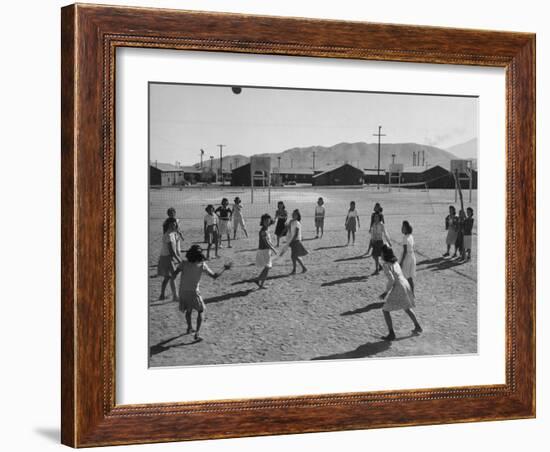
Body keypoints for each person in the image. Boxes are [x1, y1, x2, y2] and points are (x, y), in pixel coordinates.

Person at [178, 245, 231, 340]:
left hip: (182, 291)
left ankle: (189, 327)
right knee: (201, 310)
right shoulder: (202, 264)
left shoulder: (184, 263)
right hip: (193, 292)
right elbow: (215, 276)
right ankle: (197, 333)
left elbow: (173, 275)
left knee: (189, 310)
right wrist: (224, 269)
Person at [379, 245, 422, 341]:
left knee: (385, 310)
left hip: (399, 287)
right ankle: (417, 326)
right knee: (407, 307)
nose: (380, 254)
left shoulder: (386, 265)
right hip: (405, 284)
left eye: (381, 252)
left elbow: (391, 280)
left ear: (385, 254)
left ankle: (391, 333)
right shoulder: (395, 263)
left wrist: (386, 292)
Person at [157, 218, 182, 301]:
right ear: (168, 225)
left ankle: (162, 295)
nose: (174, 225)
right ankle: (175, 296)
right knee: (173, 276)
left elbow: (174, 249)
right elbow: (171, 251)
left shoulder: (173, 234)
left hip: (166, 257)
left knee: (168, 277)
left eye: (175, 224)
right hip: (167, 257)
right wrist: (180, 261)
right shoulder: (168, 235)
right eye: (172, 224)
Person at [254, 214, 277, 289]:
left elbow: (268, 241)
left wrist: (272, 247)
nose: (267, 222)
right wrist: (273, 249)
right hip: (264, 251)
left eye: (268, 220)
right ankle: (258, 280)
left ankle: (261, 283)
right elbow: (266, 242)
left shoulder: (267, 229)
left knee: (267, 268)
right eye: (265, 221)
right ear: (262, 222)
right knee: (268, 267)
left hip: (267, 250)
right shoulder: (263, 231)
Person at [282, 209, 308, 274]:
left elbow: (296, 233)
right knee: (295, 256)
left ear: (298, 216)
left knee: (294, 256)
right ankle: (303, 268)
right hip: (292, 241)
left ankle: (295, 270)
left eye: (295, 214)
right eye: (293, 214)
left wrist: (291, 240)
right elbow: (288, 229)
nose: (293, 215)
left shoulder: (297, 223)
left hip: (295, 241)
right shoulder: (291, 221)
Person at [399, 220, 417, 293]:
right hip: (412, 256)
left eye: (404, 227)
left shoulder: (405, 238)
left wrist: (401, 262)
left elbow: (405, 251)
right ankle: (412, 292)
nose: (402, 228)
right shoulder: (411, 236)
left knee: (404, 276)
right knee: (409, 277)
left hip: (407, 258)